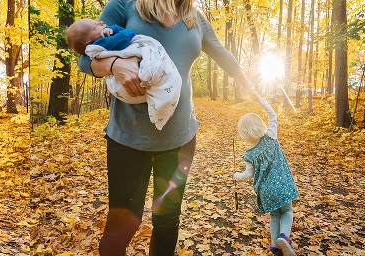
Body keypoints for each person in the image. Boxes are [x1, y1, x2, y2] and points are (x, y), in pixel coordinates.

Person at [76, 0, 257, 253]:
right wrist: (114, 65)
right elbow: (85, 60)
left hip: (179, 139)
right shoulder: (124, 5)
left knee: (167, 221)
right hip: (129, 138)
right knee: (123, 223)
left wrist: (246, 82)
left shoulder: (195, 17)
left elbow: (221, 52)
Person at [67, 18, 182, 130]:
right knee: (154, 68)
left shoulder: (102, 38)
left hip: (183, 129)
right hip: (127, 132)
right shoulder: (102, 42)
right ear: (89, 42)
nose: (101, 22)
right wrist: (123, 33)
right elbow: (124, 38)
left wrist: (111, 29)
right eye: (96, 26)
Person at [234, 91, 299, 256]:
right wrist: (260, 100)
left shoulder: (249, 154)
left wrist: (236, 176)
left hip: (266, 191)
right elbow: (273, 116)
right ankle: (284, 236)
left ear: (244, 133)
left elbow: (248, 175)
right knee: (287, 211)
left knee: (275, 215)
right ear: (260, 125)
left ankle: (274, 246)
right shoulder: (271, 136)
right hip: (282, 185)